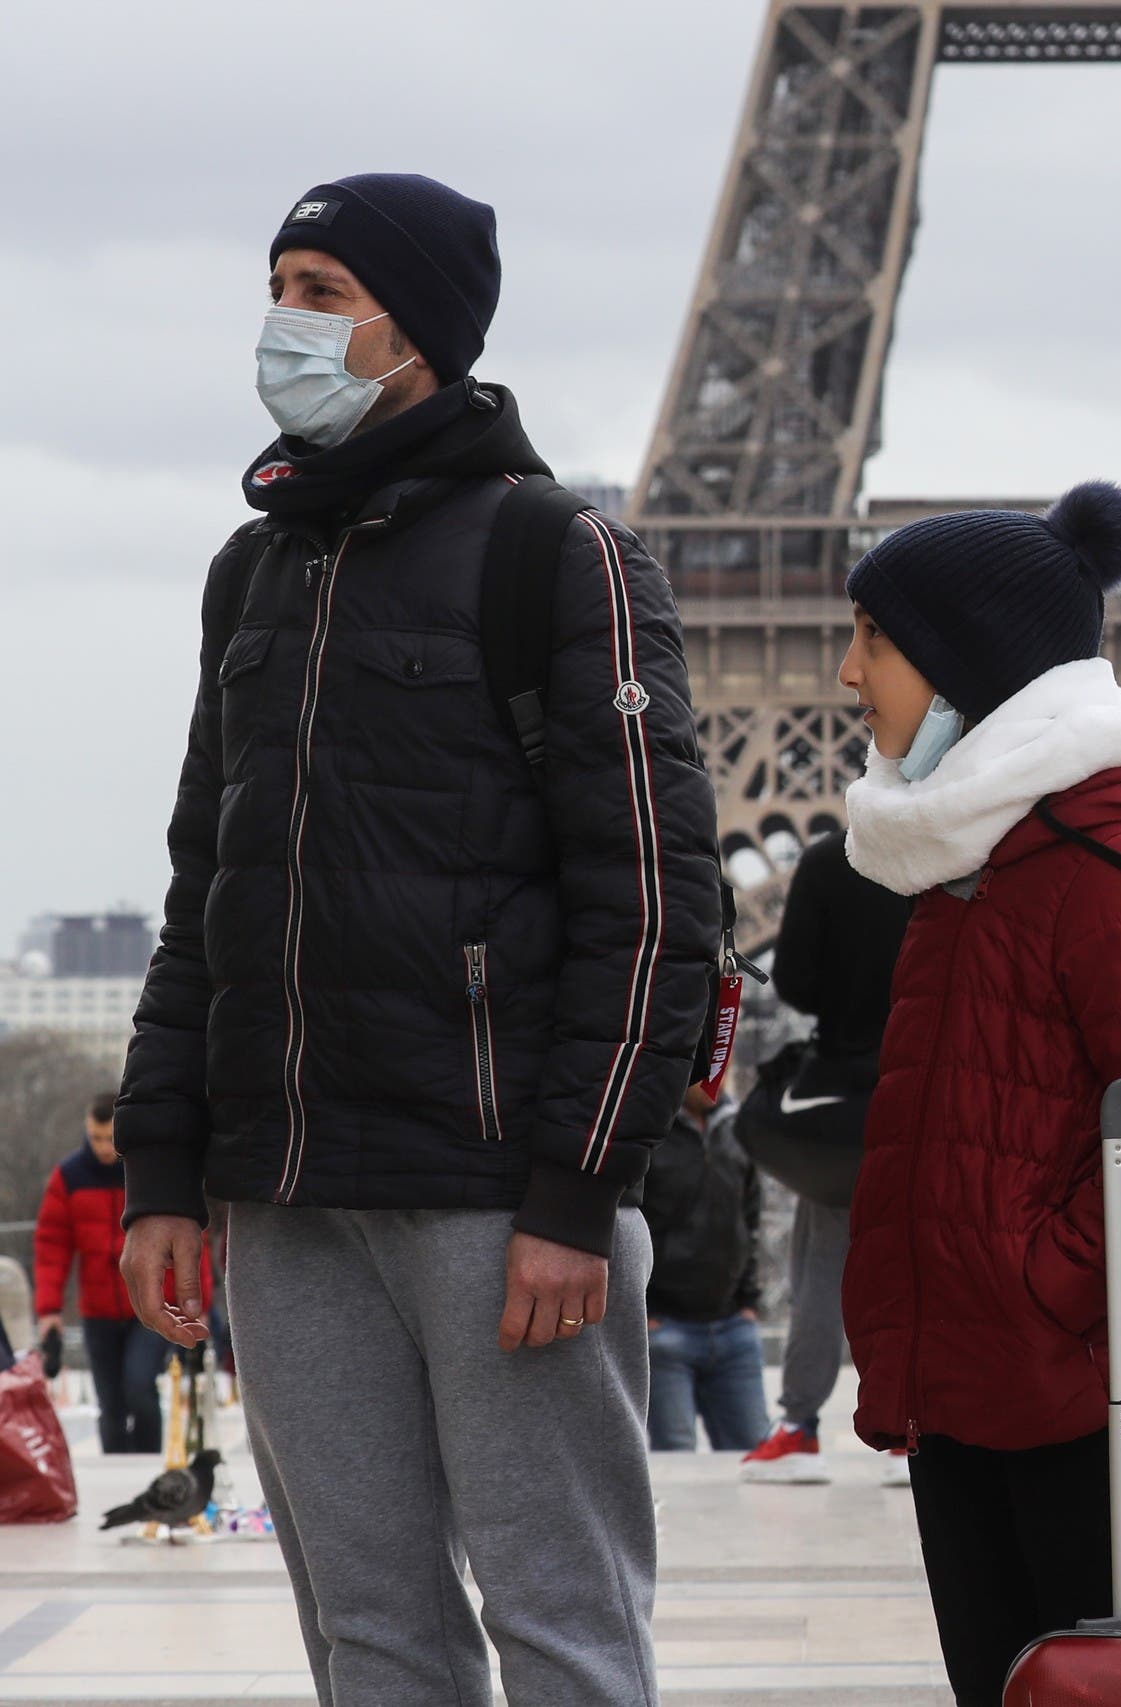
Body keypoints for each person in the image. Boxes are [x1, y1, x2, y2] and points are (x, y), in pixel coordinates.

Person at [114, 175, 720, 1707]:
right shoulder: (254, 570)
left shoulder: (557, 551)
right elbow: (209, 894)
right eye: (280, 283)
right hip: (290, 1192)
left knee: (561, 1620)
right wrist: (168, 1168)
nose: (285, 321)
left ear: (418, 327)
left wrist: (581, 1188)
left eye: (321, 288)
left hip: (498, 1193)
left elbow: (653, 897)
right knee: (369, 1638)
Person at [832, 481, 1121, 1707]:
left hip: (1070, 1399)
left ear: (968, 661)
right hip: (968, 1384)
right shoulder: (974, 855)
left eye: (873, 639)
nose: (849, 674)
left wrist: (1054, 1283)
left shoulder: (1082, 855)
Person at [743, 826, 913, 1486]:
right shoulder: (945, 847)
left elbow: (794, 980)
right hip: (927, 1082)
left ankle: (800, 1426)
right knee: (922, 1260)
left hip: (841, 1095)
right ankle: (909, 1426)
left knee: (821, 1255)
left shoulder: (826, 860)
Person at [33, 1095, 200, 1452]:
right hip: (98, 1311)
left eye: (110, 1138)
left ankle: (152, 1471)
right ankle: (119, 1485)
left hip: (150, 1305)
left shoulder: (148, 1175)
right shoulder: (69, 1178)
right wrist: (49, 1311)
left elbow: (188, 1236)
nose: (103, 1147)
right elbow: (52, 1248)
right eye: (95, 1138)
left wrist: (195, 1304)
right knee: (110, 1406)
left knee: (139, 1387)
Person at [641, 1085, 771, 1452]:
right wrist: (646, 1311)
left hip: (734, 1329)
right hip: (666, 1331)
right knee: (676, 1462)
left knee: (755, 1460)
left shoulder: (739, 1128)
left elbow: (751, 1220)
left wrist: (749, 1304)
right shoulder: (651, 1132)